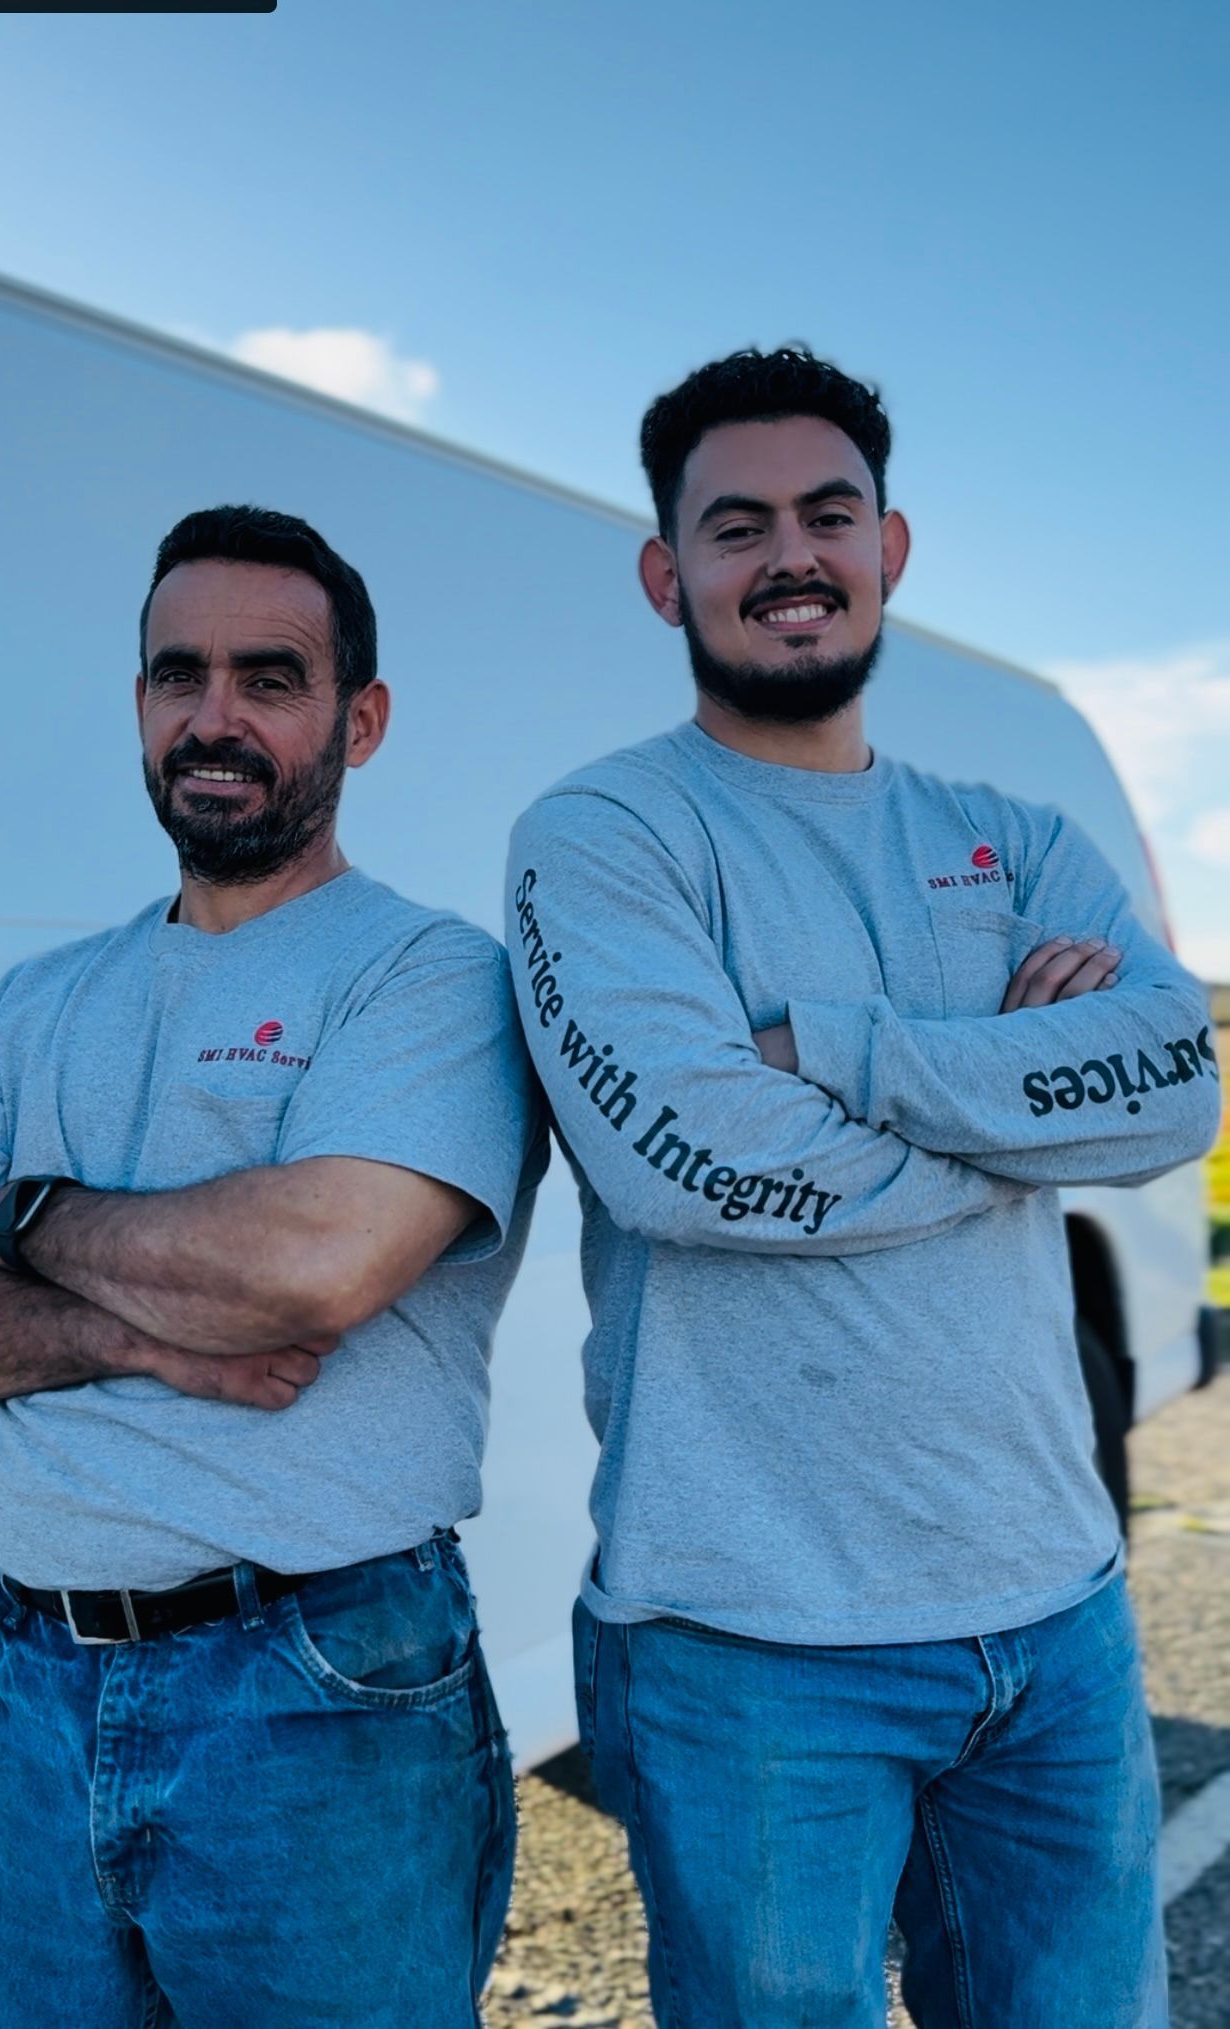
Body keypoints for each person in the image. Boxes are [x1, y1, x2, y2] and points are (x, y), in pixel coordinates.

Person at [505, 349, 1220, 2029]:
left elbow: (1173, 1083)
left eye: (828, 513)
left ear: (890, 546)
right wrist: (1018, 1102)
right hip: (749, 1646)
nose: (790, 555)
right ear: (664, 572)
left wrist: (837, 1044)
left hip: (1057, 1620)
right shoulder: (604, 836)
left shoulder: (1013, 832)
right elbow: (693, 1165)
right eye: (735, 524)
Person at [0, 504, 545, 2028]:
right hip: (14, 1684)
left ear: (361, 717)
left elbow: (306, 1270)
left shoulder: (425, 976)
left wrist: (21, 1215)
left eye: (268, 677)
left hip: (315, 1693)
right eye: (176, 674)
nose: (214, 717)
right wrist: (156, 1338)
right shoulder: (37, 1000)